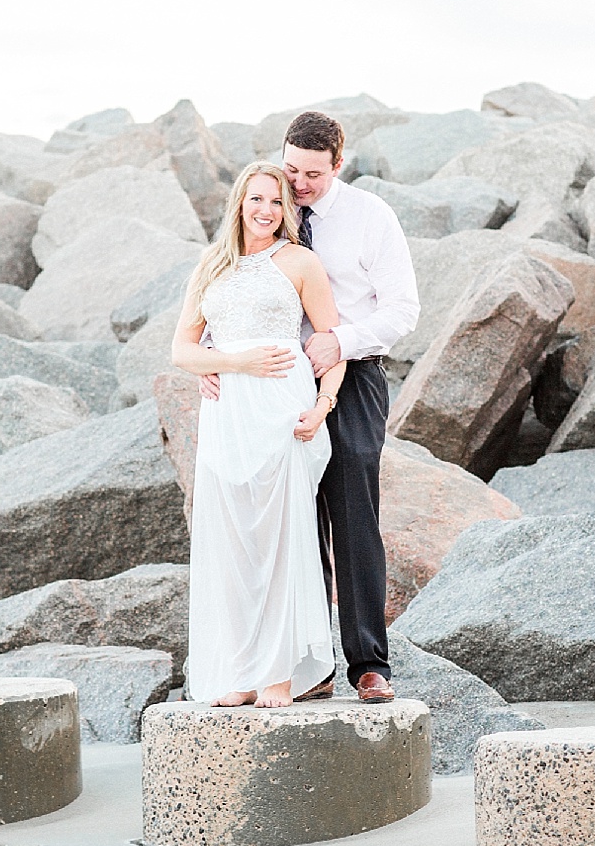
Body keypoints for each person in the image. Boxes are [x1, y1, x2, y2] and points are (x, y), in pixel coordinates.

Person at [199, 111, 420, 703]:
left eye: (313, 175)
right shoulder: (269, 206)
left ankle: (368, 663)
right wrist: (213, 356)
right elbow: (234, 286)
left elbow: (403, 309)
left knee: (352, 517)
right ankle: (305, 666)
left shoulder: (370, 217)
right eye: (291, 169)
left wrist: (339, 342)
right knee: (288, 520)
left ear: (338, 166)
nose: (298, 184)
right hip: (269, 385)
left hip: (351, 377)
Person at [173, 161, 347, 708]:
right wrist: (230, 362)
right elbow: (182, 350)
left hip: (281, 411)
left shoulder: (301, 262)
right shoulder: (212, 264)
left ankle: (279, 674)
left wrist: (322, 406)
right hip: (228, 417)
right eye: (257, 199)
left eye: (277, 201)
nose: (267, 210)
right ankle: (242, 671)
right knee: (234, 546)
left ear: (287, 209)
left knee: (280, 540)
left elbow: (333, 345)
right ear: (240, 204)